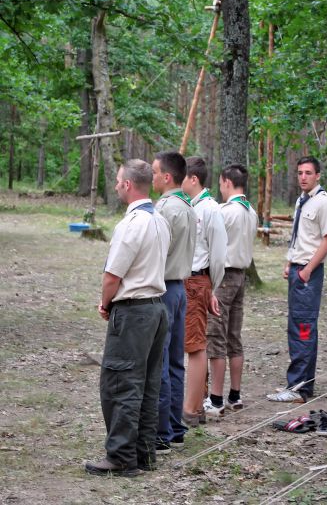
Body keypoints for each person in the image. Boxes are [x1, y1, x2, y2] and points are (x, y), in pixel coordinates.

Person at [85, 159, 171, 477]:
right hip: (157, 309)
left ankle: (121, 456)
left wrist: (106, 304)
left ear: (128, 185)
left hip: (134, 311)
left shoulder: (132, 224)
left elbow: (112, 276)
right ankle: (143, 453)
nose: (117, 185)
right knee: (147, 384)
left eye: (119, 180)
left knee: (121, 383)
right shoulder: (160, 220)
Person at [267, 156, 327, 404]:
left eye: (308, 173)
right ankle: (301, 385)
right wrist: (290, 262)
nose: (303, 177)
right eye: (300, 173)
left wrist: (307, 270)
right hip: (297, 269)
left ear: (318, 175)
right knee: (298, 326)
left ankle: (298, 387)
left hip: (309, 273)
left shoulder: (324, 202)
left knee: (303, 329)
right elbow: (300, 236)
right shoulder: (302, 201)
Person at [152, 151, 197, 451]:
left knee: (161, 362)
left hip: (166, 288)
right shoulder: (189, 207)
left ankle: (162, 432)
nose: (152, 176)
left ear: (167, 177)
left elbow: (155, 251)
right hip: (181, 288)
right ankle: (176, 427)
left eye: (155, 172)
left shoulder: (165, 209)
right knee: (176, 363)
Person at [204, 164, 258, 416]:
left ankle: (215, 399)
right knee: (234, 336)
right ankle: (235, 395)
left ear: (226, 182)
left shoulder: (226, 212)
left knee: (216, 335)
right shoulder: (251, 212)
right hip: (240, 276)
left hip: (224, 277)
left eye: (220, 182)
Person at [181, 156, 227, 427]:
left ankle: (190, 410)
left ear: (194, 179)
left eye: (182, 177)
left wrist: (212, 287)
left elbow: (218, 255)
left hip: (198, 281)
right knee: (191, 343)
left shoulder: (210, 209)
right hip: (188, 282)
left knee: (195, 346)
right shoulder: (190, 206)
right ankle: (195, 406)